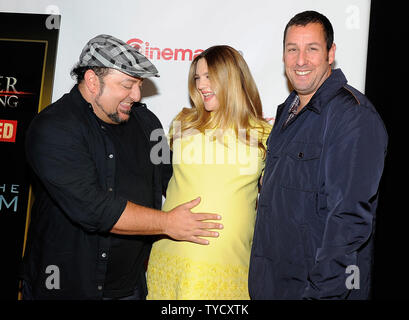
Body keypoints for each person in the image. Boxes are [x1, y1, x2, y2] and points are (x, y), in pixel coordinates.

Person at [21, 34, 223, 300]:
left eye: (139, 84)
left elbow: (172, 176)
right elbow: (94, 208)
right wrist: (168, 223)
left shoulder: (147, 122)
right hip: (67, 288)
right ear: (93, 81)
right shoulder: (54, 127)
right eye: (127, 84)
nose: (136, 95)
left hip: (131, 289)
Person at [248, 11, 388, 300]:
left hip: (314, 292)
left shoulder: (353, 117)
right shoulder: (288, 110)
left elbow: (347, 224)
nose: (300, 60)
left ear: (330, 53)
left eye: (312, 49)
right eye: (292, 49)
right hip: (272, 286)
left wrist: (321, 296)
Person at [146, 45, 272, 300]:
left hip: (231, 264)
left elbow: (273, 200)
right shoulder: (183, 123)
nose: (201, 84)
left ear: (231, 77)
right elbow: (165, 179)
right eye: (197, 77)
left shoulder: (263, 134)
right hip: (174, 256)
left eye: (209, 76)